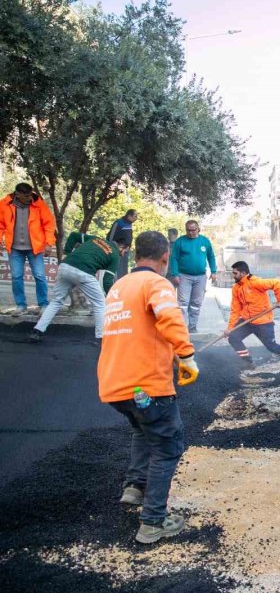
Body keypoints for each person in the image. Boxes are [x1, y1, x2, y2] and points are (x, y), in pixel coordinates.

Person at [97, 231, 199, 545]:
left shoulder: (120, 286)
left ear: (136, 254)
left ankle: (134, 487)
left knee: (143, 431)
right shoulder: (157, 283)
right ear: (165, 257)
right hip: (147, 388)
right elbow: (169, 316)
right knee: (167, 448)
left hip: (117, 386)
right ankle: (153, 522)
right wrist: (187, 355)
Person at [30, 233, 126, 343]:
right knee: (100, 304)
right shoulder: (115, 256)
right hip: (84, 273)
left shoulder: (96, 238)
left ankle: (37, 331)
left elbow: (73, 235)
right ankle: (101, 339)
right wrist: (113, 297)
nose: (123, 254)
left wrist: (66, 253)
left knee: (57, 301)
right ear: (122, 247)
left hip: (65, 266)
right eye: (125, 251)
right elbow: (107, 281)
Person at [0, 183, 56, 315]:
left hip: (35, 248)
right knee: (16, 277)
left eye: (31, 194)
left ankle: (43, 304)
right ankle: (21, 306)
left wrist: (49, 243)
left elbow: (49, 224)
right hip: (14, 249)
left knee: (40, 276)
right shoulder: (4, 204)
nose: (30, 198)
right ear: (17, 194)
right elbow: (0, 225)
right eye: (26, 195)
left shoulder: (39, 204)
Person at [226, 261, 280, 367]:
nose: (233, 275)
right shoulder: (236, 288)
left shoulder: (256, 282)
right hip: (247, 321)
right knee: (233, 337)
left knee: (271, 346)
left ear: (243, 273)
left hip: (263, 322)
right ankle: (248, 362)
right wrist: (230, 328)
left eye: (235, 273)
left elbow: (278, 283)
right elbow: (235, 310)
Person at [170, 220, 217, 333]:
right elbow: (174, 258)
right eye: (188, 230)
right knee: (183, 303)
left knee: (196, 303)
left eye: (193, 230)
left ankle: (192, 326)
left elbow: (211, 256)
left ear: (198, 229)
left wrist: (214, 271)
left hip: (200, 277)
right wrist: (175, 274)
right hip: (184, 276)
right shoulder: (180, 242)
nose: (190, 233)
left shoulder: (204, 241)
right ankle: (181, 327)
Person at [107, 209, 138, 280]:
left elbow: (128, 238)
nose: (136, 218)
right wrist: (115, 249)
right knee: (117, 271)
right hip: (117, 251)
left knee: (124, 271)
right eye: (135, 216)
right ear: (129, 216)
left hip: (125, 251)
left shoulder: (129, 224)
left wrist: (128, 247)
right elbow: (110, 237)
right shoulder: (118, 223)